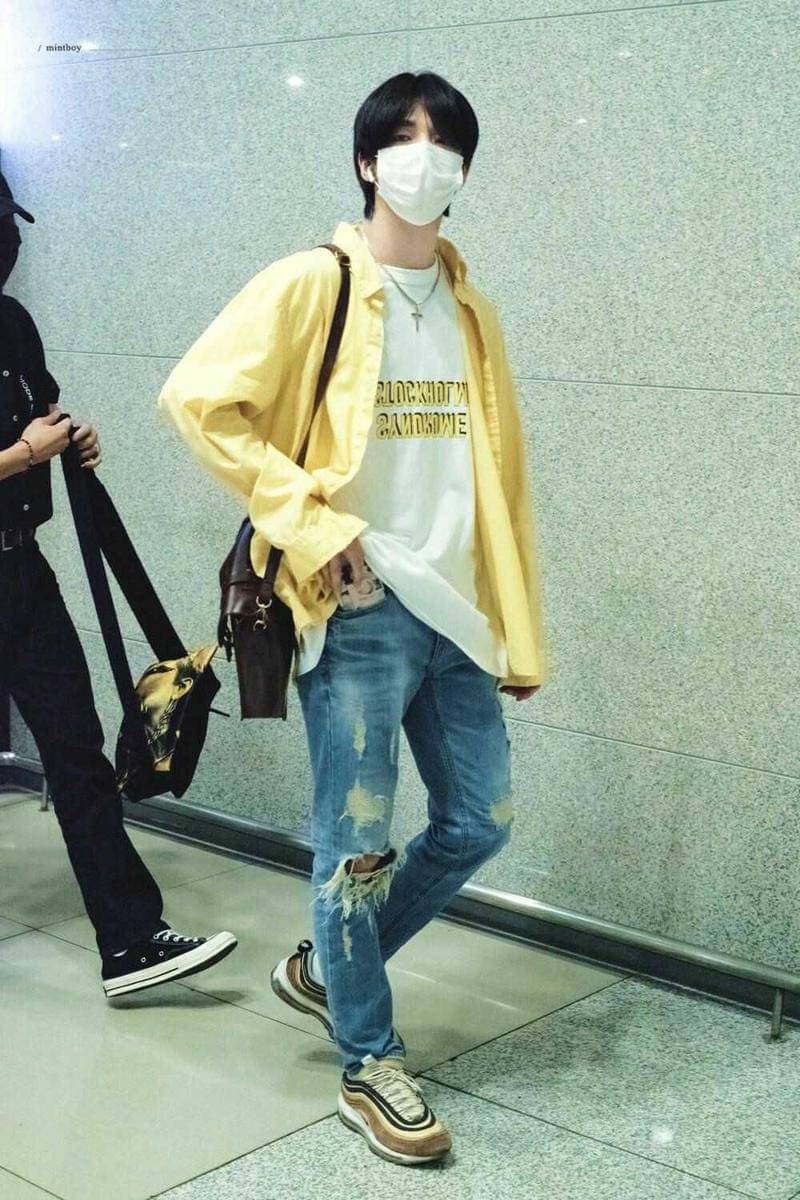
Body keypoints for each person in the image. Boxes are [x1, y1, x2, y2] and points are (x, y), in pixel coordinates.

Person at [158, 70, 549, 1165]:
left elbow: (500, 484)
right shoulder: (314, 283)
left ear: (462, 171)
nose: (428, 158)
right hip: (360, 607)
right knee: (357, 844)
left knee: (480, 819)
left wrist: (514, 623)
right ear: (368, 162)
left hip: (457, 611)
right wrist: (311, 521)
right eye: (406, 140)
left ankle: (331, 965)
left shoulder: (472, 311)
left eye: (447, 143)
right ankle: (369, 1060)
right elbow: (199, 400)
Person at [0, 170, 238, 997]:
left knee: (77, 750)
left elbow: (42, 415)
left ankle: (131, 940)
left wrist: (69, 440)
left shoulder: (12, 323)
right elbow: (19, 444)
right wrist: (20, 456)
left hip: (20, 570)